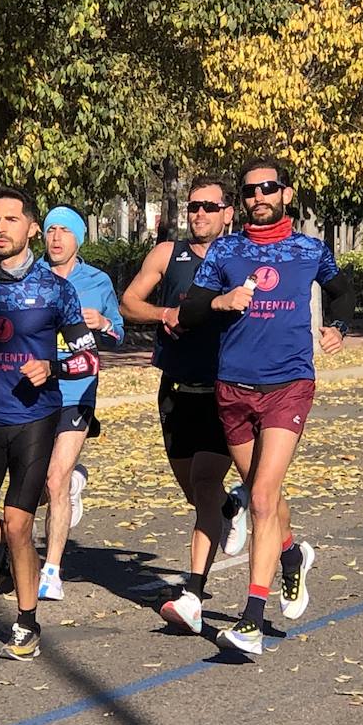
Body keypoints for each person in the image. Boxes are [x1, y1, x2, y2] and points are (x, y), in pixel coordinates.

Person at [179, 158, 355, 654]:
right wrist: (220, 302)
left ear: (286, 194)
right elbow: (191, 309)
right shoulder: (226, 251)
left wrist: (338, 327)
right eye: (250, 191)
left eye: (268, 189)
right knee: (263, 493)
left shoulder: (309, 250)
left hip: (288, 385)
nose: (259, 198)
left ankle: (251, 620)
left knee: (259, 498)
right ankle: (291, 555)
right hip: (232, 389)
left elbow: (342, 292)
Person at [0, 186, 99, 660]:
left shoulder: (55, 289)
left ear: (31, 227)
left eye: (11, 219)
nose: (0, 228)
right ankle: (15, 552)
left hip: (35, 418)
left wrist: (51, 368)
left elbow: (88, 359)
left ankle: (26, 623)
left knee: (17, 521)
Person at [120, 175, 247, 634]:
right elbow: (129, 302)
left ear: (227, 213)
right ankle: (233, 511)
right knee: (195, 493)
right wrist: (164, 313)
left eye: (210, 207)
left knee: (205, 485)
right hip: (175, 388)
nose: (200, 215)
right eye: (194, 206)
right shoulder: (166, 254)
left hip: (222, 387)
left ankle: (193, 592)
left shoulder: (239, 257)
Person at [36, 205, 123, 601]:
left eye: (64, 231)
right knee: (32, 485)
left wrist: (102, 324)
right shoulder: (30, 276)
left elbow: (118, 334)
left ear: (78, 239)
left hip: (77, 392)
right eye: (51, 230)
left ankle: (51, 570)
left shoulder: (97, 281)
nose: (56, 238)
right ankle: (71, 483)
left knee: (52, 479)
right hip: (33, 392)